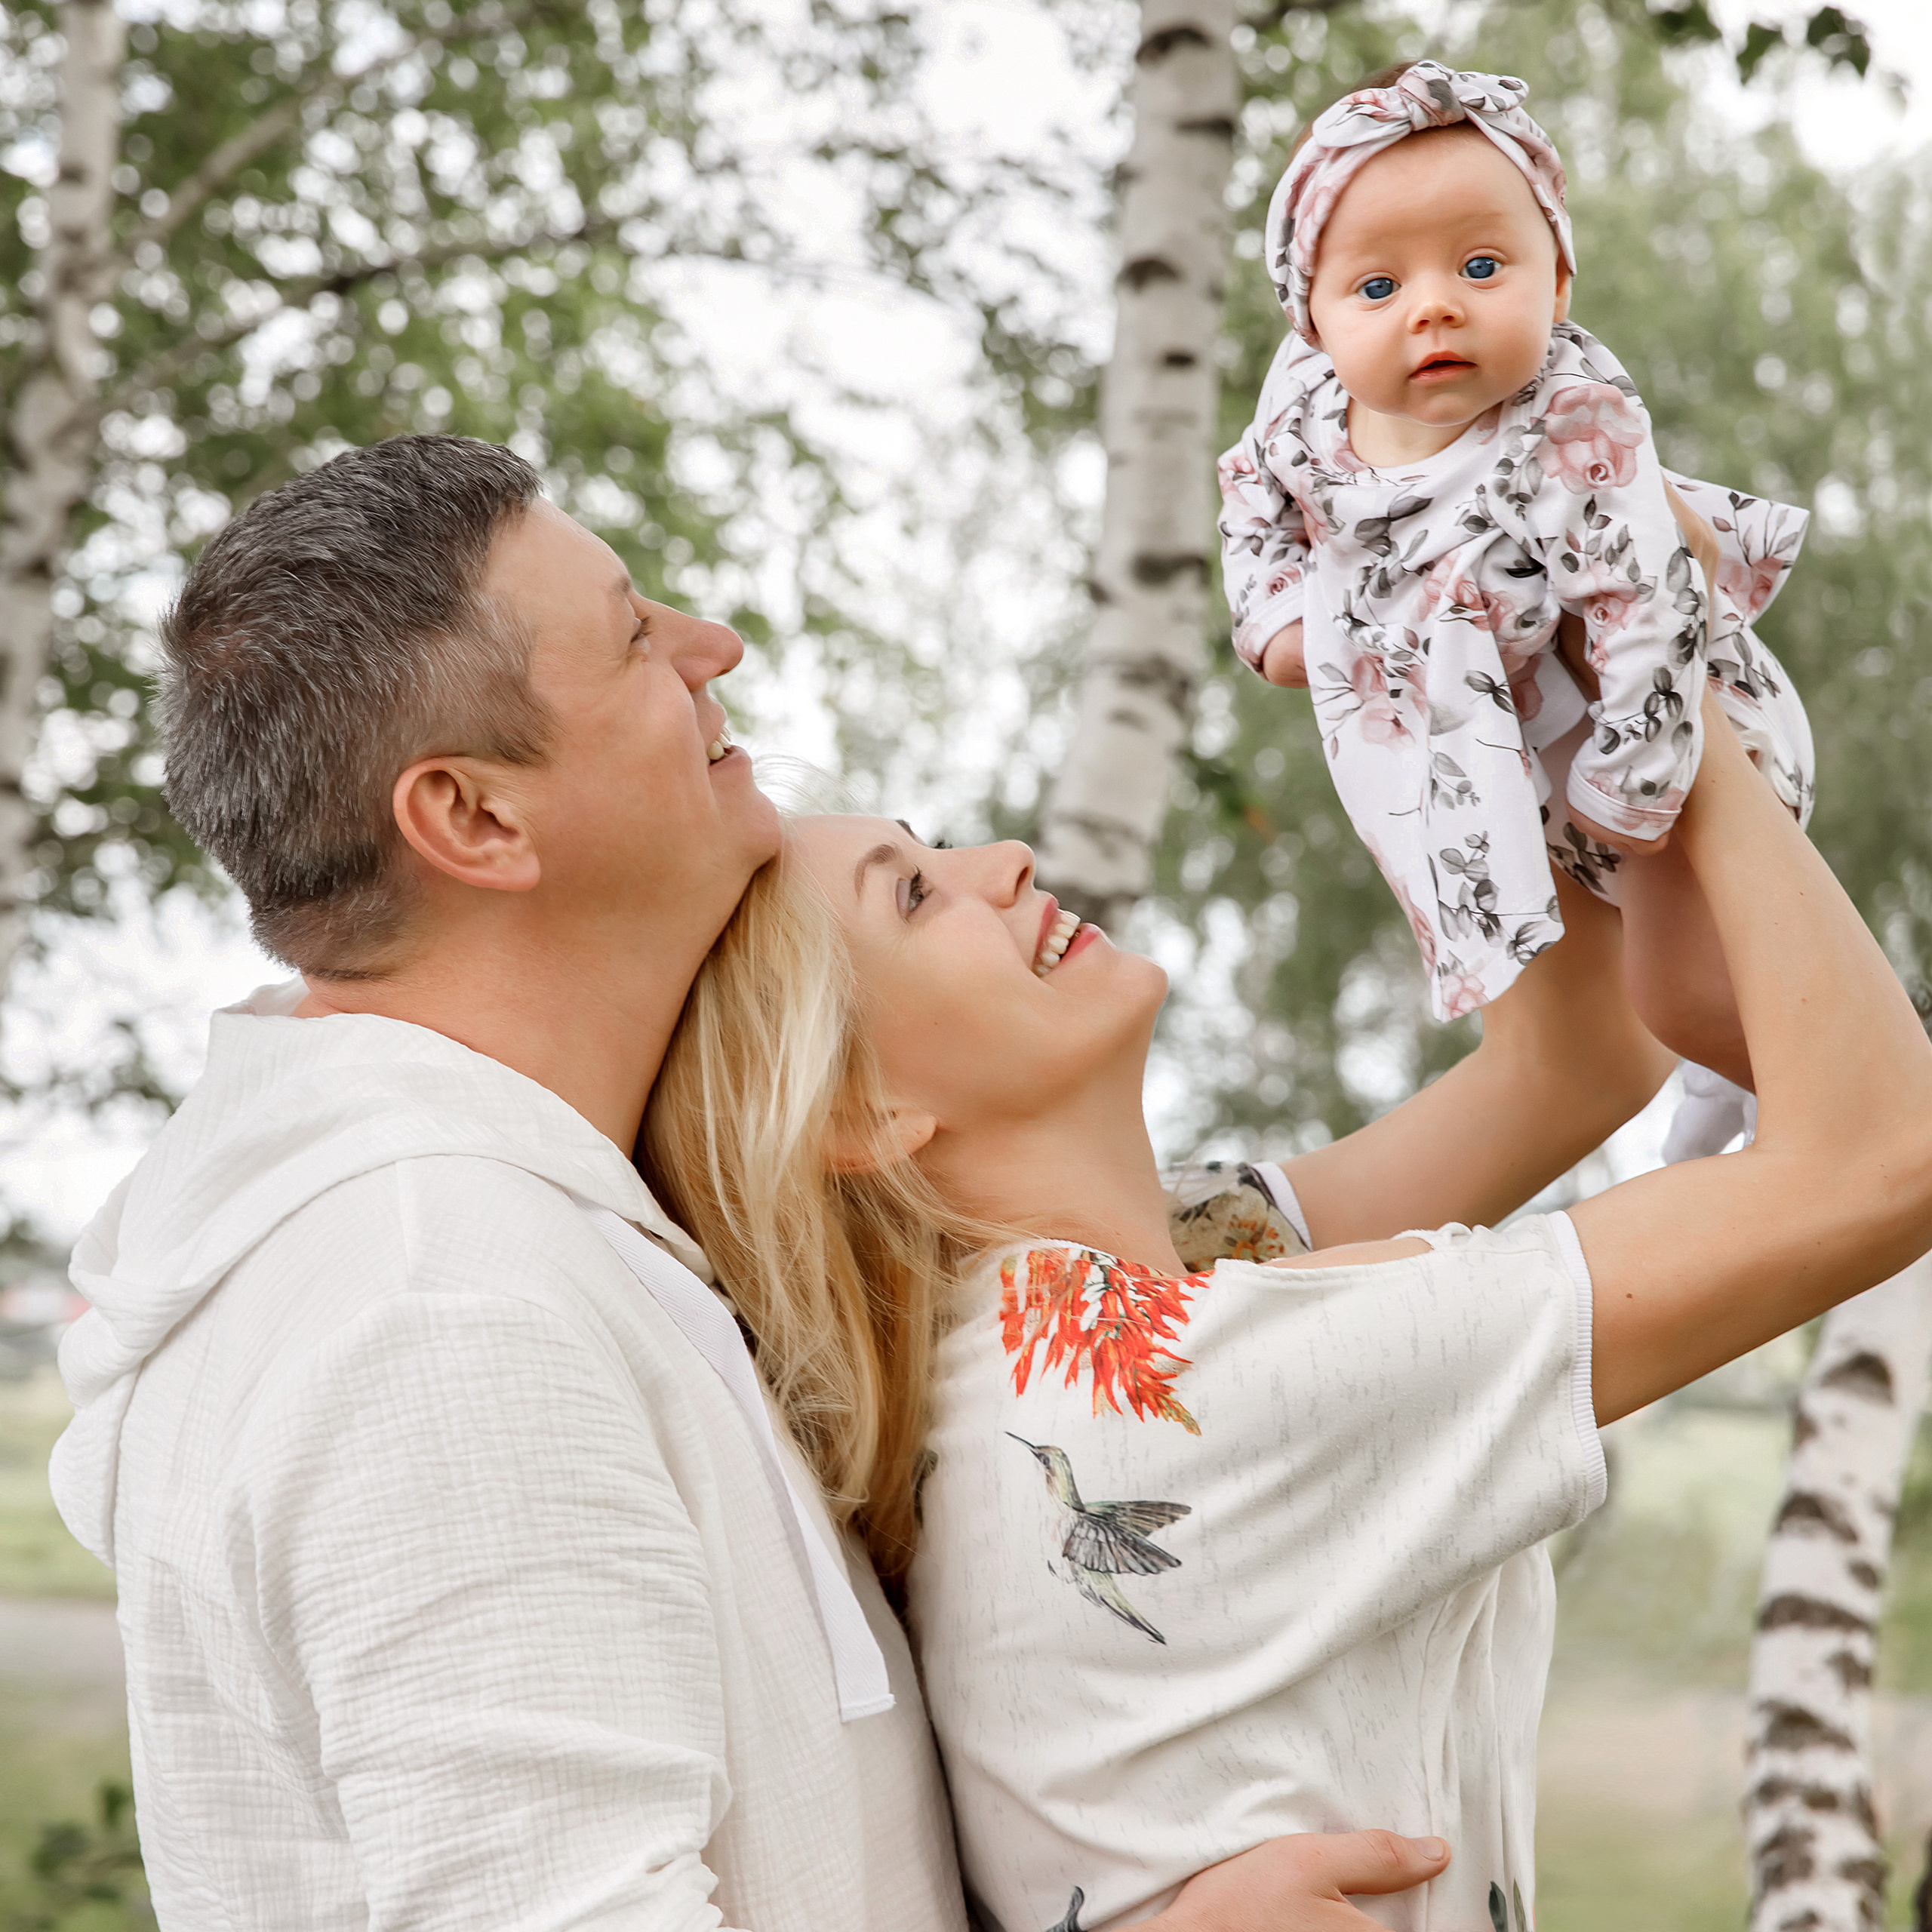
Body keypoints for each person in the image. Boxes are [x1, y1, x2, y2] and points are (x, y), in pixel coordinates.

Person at [48, 434, 1478, 1930]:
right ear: (473, 817)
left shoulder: (539, 1221)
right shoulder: (433, 1301)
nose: (709, 645)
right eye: (633, 638)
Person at [645, 710, 1932, 1927]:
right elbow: (1888, 1156)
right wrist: (1668, 674)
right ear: (866, 1117)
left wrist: (1433, 644)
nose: (1003, 859)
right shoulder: (1164, 1389)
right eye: (915, 894)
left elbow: (1581, 1060)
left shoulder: (1066, 1321)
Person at [1217, 58, 1814, 1159]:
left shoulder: (1572, 430)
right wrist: (1275, 622)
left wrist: (1625, 796)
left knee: (1679, 986)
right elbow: (1249, 501)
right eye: (1377, 288)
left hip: (1664, 749)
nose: (1434, 304)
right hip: (1523, 767)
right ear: (1312, 318)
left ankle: (1785, 1086)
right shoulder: (1302, 413)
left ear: (1559, 286)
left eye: (1483, 265)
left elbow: (1650, 613)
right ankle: (1729, 1073)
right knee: (1627, 992)